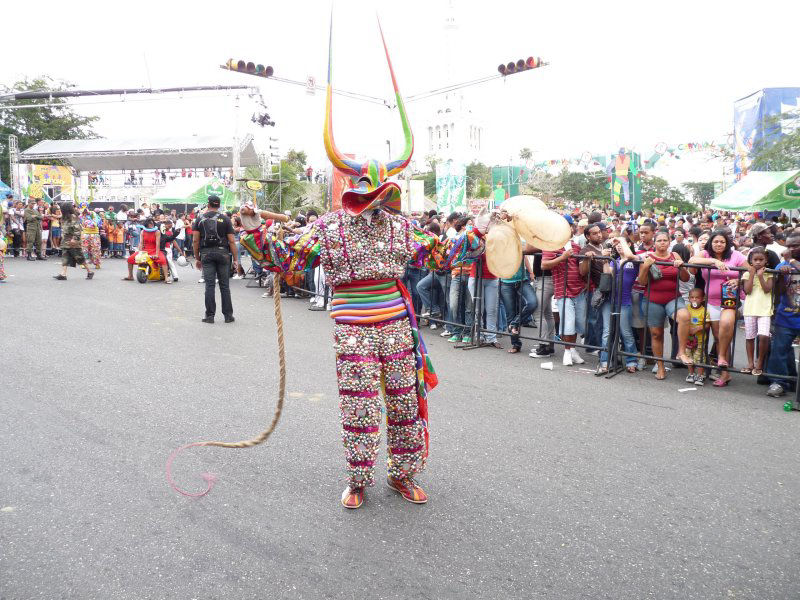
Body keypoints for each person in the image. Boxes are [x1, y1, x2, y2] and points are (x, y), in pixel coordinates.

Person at [689, 230, 747, 386]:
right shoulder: (706, 254)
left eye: (722, 241)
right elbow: (693, 259)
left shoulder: (736, 255)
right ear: (711, 243)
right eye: (715, 241)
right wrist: (714, 261)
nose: (719, 244)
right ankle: (725, 373)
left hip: (729, 299)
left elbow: (750, 271)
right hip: (711, 301)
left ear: (727, 243)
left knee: (726, 325)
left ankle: (721, 359)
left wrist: (739, 281)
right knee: (718, 335)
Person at [637, 230, 692, 380]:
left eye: (665, 240)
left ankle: (681, 352)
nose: (662, 243)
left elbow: (686, 279)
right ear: (654, 243)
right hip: (652, 300)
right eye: (659, 240)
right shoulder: (648, 257)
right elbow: (642, 282)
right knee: (656, 334)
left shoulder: (675, 255)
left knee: (684, 317)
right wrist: (646, 266)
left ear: (669, 242)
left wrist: (681, 267)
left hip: (673, 298)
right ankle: (660, 366)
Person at [192, 195, 238, 323]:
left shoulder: (199, 218)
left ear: (208, 204)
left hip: (206, 254)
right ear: (219, 205)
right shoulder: (226, 219)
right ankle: (228, 316)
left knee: (210, 285)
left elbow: (195, 240)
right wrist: (235, 259)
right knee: (225, 286)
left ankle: (210, 316)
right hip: (223, 253)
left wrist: (197, 258)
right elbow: (232, 242)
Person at [766, 233, 800, 398]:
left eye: (795, 246)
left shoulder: (792, 262)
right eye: (789, 246)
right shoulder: (782, 266)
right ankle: (779, 382)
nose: (791, 249)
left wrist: (792, 262)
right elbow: (777, 293)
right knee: (779, 350)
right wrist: (780, 277)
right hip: (786, 316)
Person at [741, 247, 773, 376]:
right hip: (750, 309)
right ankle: (750, 363)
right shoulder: (747, 274)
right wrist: (753, 274)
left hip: (765, 309)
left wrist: (760, 276)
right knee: (750, 337)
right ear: (751, 261)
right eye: (755, 260)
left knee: (764, 336)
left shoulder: (769, 273)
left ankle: (759, 362)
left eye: (761, 259)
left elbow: (767, 289)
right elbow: (747, 290)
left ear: (766, 261)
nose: (758, 262)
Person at [53, 203, 94, 281]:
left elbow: (77, 229)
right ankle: (63, 274)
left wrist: (74, 239)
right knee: (64, 257)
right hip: (66, 240)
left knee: (79, 257)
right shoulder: (64, 218)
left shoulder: (73, 217)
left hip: (73, 241)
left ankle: (90, 272)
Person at [684, 288, 710, 385]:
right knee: (688, 356)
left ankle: (700, 375)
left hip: (699, 340)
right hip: (687, 339)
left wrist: (698, 328)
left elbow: (707, 325)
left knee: (699, 357)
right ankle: (691, 373)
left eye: (697, 298)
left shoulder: (704, 311)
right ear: (689, 298)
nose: (694, 300)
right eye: (692, 297)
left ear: (703, 299)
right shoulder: (686, 309)